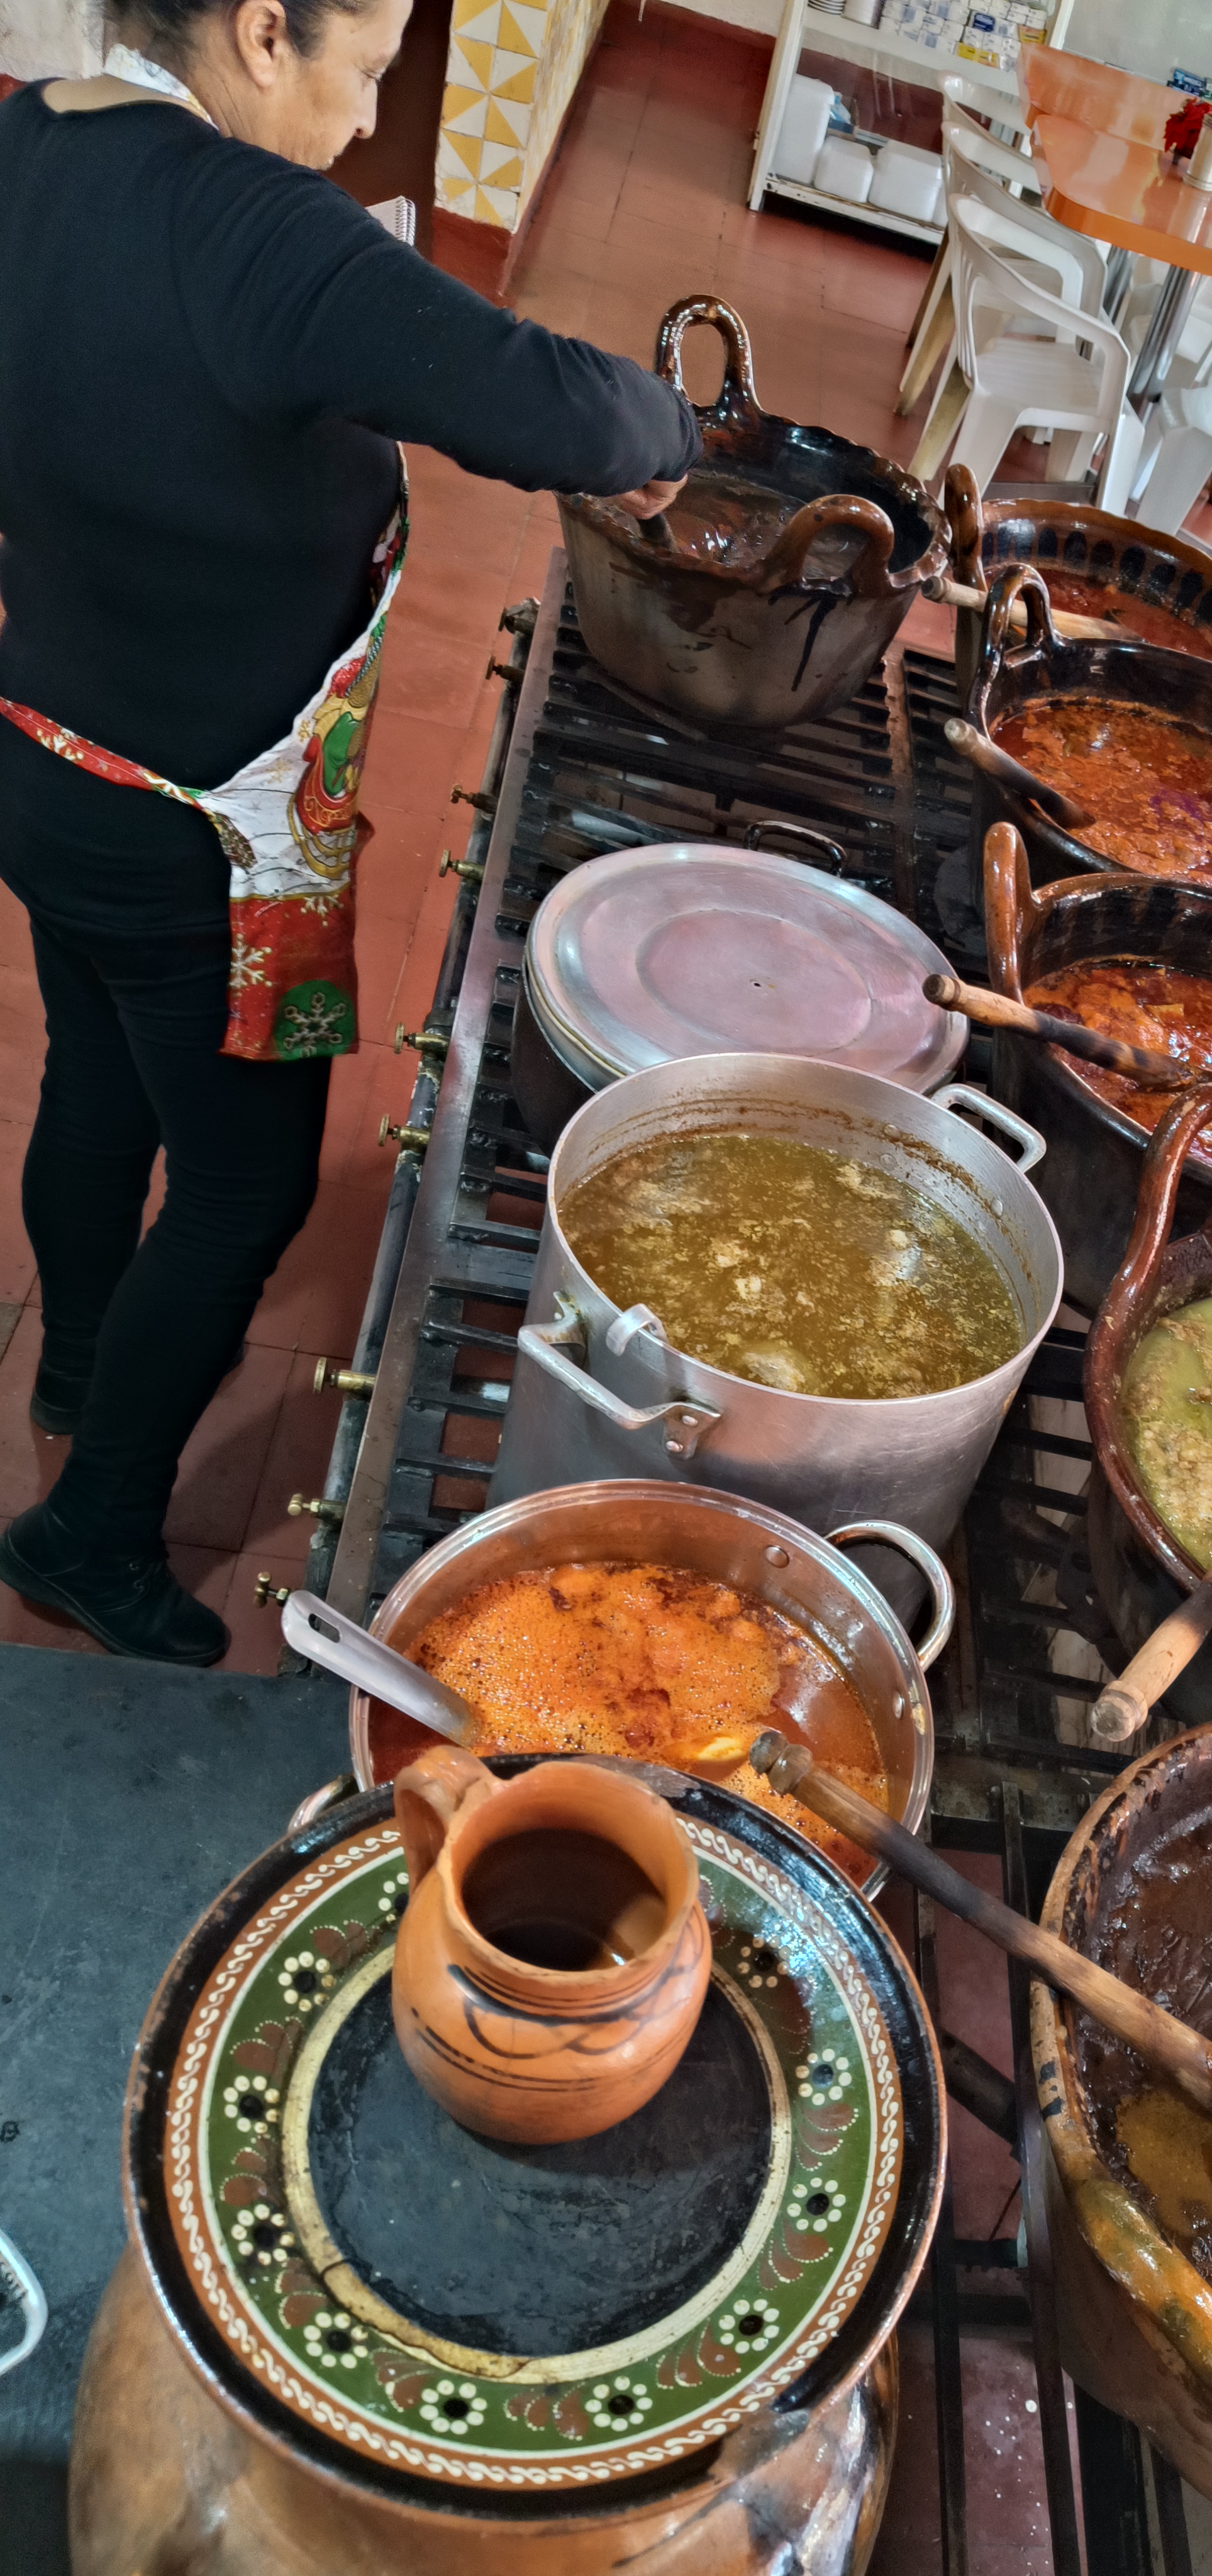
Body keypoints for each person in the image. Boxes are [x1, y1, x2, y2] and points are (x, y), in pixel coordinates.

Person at [0, 0, 699, 1665]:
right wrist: (682, 436)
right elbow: (553, 406)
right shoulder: (250, 228)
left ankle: (78, 1364)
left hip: (44, 755)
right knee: (243, 1185)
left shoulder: (27, 136)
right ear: (257, 33)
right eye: (365, 69)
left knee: (96, 1082)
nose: (366, 115)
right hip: (203, 838)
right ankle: (92, 1531)